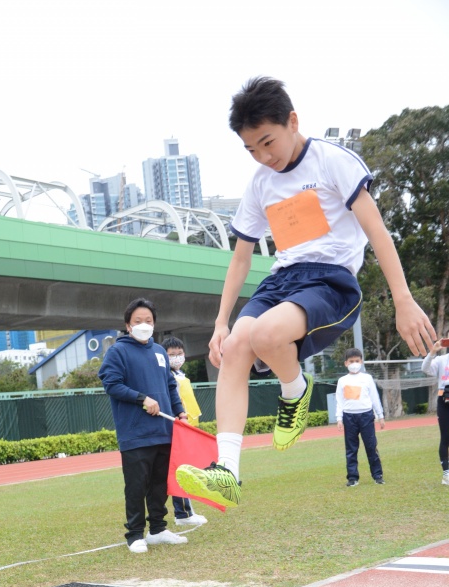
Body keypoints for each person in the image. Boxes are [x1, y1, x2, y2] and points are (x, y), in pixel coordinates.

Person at [176, 76, 436, 509]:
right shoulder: (260, 183)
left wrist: (403, 299)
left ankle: (295, 389)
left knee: (264, 334)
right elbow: (240, 259)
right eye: (251, 149)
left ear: (292, 121)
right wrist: (221, 322)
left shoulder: (333, 161)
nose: (264, 156)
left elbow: (377, 231)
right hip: (282, 279)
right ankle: (227, 471)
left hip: (330, 280)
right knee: (237, 343)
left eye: (267, 142)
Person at [98, 298, 189, 553]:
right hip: (135, 433)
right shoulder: (118, 352)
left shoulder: (159, 351)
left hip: (164, 430)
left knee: (160, 483)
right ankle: (135, 534)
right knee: (137, 486)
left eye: (148, 320)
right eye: (137, 321)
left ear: (154, 324)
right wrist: (142, 399)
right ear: (128, 325)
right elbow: (111, 384)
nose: (143, 325)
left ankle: (158, 529)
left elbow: (170, 385)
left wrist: (180, 412)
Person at [161, 336, 208, 527]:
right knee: (181, 471)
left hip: (189, 428)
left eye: (180, 353)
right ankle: (183, 513)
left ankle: (186, 511)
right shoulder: (168, 377)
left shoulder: (181, 375)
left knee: (186, 470)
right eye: (172, 355)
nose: (177, 357)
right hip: (179, 429)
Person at [335, 348, 385, 486]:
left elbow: (374, 397)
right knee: (351, 448)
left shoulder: (367, 378)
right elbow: (339, 400)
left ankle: (377, 475)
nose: (354, 364)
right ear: (346, 363)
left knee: (371, 446)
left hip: (366, 416)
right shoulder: (342, 381)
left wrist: (380, 415)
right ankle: (352, 478)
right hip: (349, 416)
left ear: (361, 361)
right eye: (351, 361)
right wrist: (339, 418)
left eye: (357, 361)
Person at [421, 339, 449, 486]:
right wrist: (432, 352)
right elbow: (425, 368)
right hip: (444, 400)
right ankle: (446, 474)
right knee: (445, 437)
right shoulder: (441, 360)